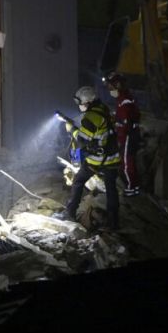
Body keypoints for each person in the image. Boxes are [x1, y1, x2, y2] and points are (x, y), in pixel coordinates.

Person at [54, 86, 121, 229]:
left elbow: (83, 140)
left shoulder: (91, 116)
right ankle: (114, 223)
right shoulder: (102, 109)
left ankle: (70, 212)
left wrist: (71, 129)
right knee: (111, 190)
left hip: (97, 159)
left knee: (78, 181)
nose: (79, 106)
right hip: (113, 158)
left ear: (87, 102)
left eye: (80, 103)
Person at [103, 71, 141, 197]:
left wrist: (117, 130)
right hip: (130, 134)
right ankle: (134, 187)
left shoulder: (125, 100)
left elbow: (125, 123)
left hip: (128, 136)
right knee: (128, 162)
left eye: (111, 86)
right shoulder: (123, 98)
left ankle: (132, 188)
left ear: (118, 85)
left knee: (127, 163)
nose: (110, 89)